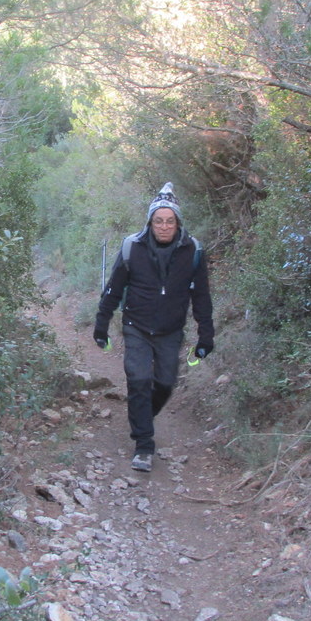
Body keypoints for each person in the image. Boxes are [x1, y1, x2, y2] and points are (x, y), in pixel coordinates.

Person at [93, 182, 215, 472]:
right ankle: (144, 445)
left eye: (169, 221)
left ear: (177, 223)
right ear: (150, 222)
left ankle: (141, 417)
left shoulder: (193, 251)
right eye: (158, 221)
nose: (163, 226)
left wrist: (206, 334)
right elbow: (113, 289)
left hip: (170, 329)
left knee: (164, 383)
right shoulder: (131, 248)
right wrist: (101, 323)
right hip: (136, 324)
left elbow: (201, 295)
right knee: (138, 378)